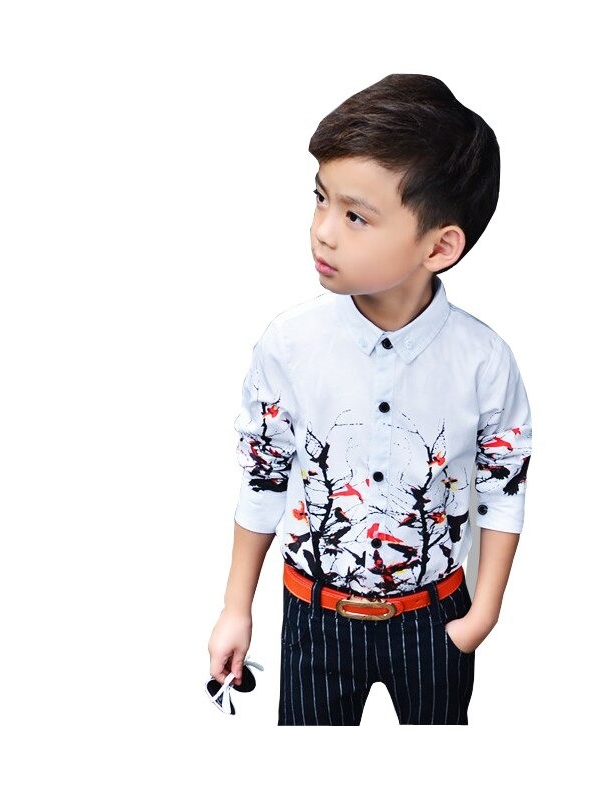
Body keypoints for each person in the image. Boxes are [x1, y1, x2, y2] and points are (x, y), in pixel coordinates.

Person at [208, 73, 533, 725]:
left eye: (355, 216)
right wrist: (235, 608)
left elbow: (503, 487)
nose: (323, 231)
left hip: (434, 623)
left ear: (439, 246)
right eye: (320, 199)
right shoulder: (288, 346)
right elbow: (265, 474)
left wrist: (482, 616)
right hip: (315, 618)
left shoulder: (483, 361)